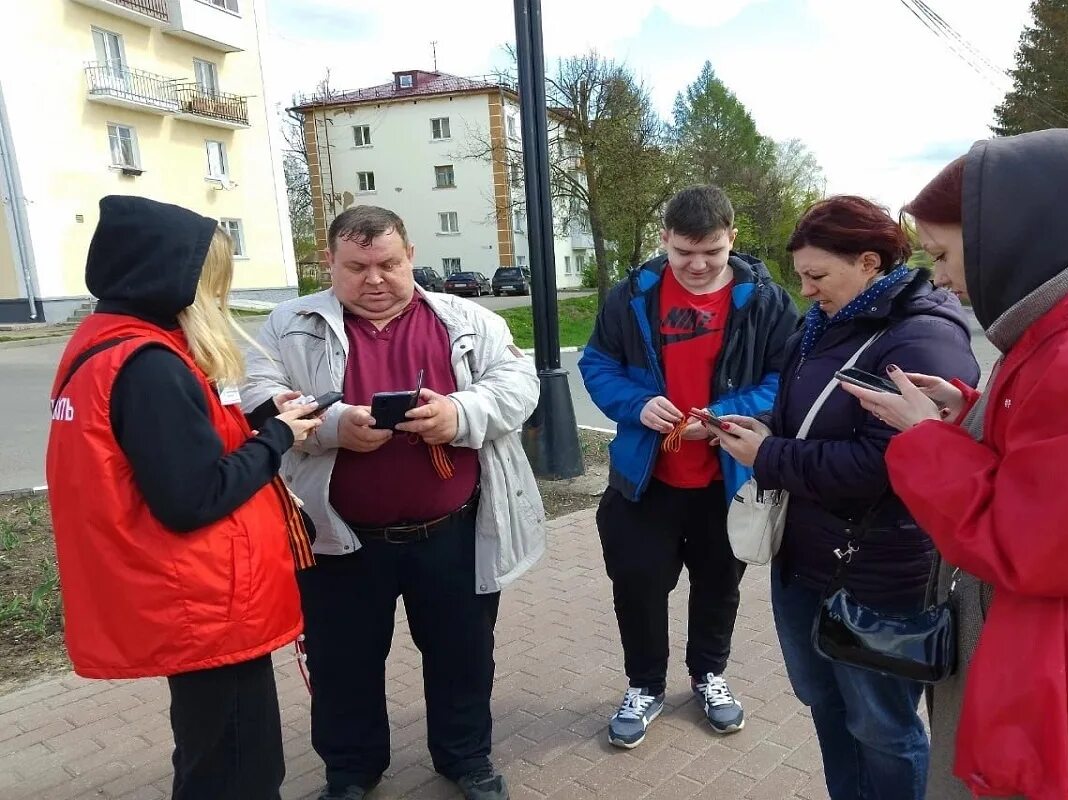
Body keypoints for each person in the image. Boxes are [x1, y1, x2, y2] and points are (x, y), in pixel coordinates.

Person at [842, 127, 1068, 799]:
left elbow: (1042, 545)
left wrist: (924, 441)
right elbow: (1061, 461)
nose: (941, 279)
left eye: (944, 254)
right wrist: (971, 412)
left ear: (1010, 235)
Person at [241, 205, 543, 800]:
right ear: (329, 263)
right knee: (341, 664)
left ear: (411, 256)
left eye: (389, 264)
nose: (374, 280)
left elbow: (519, 385)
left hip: (453, 531)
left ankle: (466, 758)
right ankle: (351, 772)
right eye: (357, 267)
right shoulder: (288, 323)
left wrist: (459, 413)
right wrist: (331, 425)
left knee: (463, 655)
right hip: (337, 537)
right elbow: (259, 393)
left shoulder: (465, 320)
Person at [45, 195, 322, 799]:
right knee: (240, 772)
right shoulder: (150, 364)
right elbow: (193, 496)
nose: (220, 295)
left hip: (188, 599)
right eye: (213, 278)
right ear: (174, 277)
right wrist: (278, 438)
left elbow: (175, 450)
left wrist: (252, 420)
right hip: (205, 601)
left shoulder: (106, 343)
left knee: (210, 756)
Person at [712, 196, 979, 800]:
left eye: (817, 275)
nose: (805, 290)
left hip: (878, 573)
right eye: (800, 275)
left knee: (883, 729)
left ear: (867, 263)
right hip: (807, 560)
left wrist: (770, 456)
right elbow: (806, 421)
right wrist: (758, 434)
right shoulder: (823, 326)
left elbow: (889, 463)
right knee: (827, 709)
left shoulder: (922, 338)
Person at [578, 184, 801, 748]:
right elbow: (599, 362)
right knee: (638, 584)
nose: (698, 266)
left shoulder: (766, 302)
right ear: (664, 241)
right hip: (644, 477)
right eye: (684, 253)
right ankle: (645, 685)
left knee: (719, 585)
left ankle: (709, 676)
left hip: (728, 477)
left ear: (732, 239)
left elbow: (785, 381)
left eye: (712, 252)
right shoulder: (634, 294)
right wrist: (637, 404)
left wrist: (723, 417)